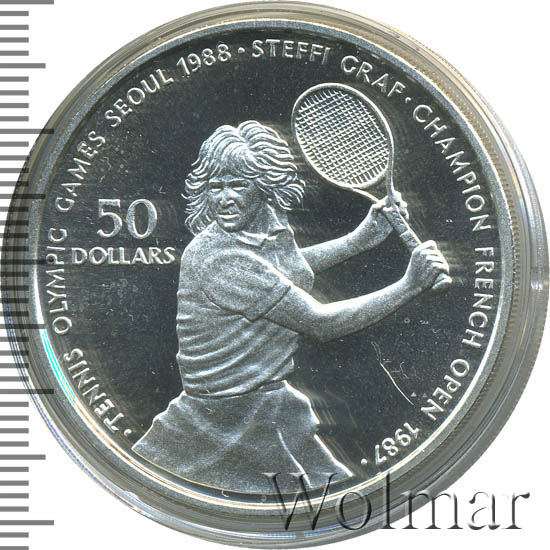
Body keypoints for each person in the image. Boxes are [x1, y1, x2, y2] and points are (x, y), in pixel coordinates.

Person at [132, 121, 449, 492]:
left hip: (269, 406)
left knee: (329, 494)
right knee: (324, 498)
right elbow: (320, 323)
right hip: (224, 422)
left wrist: (359, 240)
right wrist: (409, 285)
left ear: (264, 186)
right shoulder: (219, 259)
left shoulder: (264, 229)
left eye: (238, 185)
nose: (224, 199)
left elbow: (286, 271)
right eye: (215, 187)